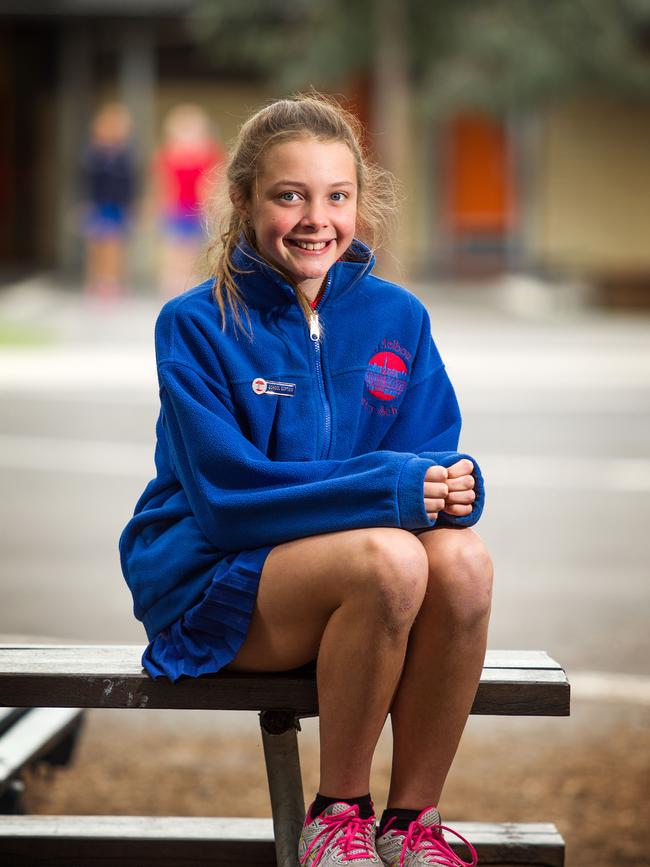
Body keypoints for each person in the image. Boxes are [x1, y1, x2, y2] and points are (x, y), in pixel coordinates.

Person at [120, 93, 493, 867]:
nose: (315, 218)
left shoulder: (401, 317)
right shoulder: (196, 323)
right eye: (289, 195)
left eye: (336, 196)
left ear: (359, 202)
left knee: (463, 562)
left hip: (356, 593)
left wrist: (453, 489)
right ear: (242, 200)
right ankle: (337, 815)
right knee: (388, 557)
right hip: (214, 580)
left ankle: (412, 822)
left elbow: (427, 458)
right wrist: (392, 489)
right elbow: (228, 499)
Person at [153, 103, 225, 298]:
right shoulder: (168, 154)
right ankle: (173, 281)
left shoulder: (209, 152)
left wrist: (211, 204)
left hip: (198, 208)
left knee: (194, 246)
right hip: (176, 207)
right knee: (175, 245)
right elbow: (163, 182)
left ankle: (190, 281)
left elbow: (213, 181)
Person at [81, 102, 136, 299]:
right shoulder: (93, 154)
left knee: (116, 245)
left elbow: (130, 182)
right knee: (96, 245)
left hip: (118, 206)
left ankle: (114, 282)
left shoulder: (125, 155)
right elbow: (86, 181)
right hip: (97, 205)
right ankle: (95, 281)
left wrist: (131, 204)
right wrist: (87, 203)